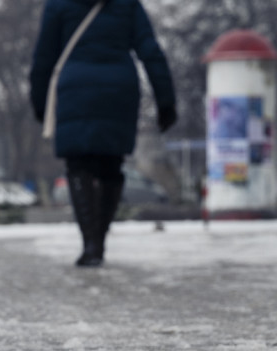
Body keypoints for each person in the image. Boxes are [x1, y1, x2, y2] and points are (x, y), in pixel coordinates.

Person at [30, 0, 176, 267]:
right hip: (119, 91)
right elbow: (149, 49)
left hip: (75, 91)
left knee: (78, 166)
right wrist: (165, 99)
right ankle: (100, 239)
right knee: (111, 166)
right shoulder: (127, 4)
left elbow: (44, 57)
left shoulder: (59, 4)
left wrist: (40, 103)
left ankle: (90, 244)